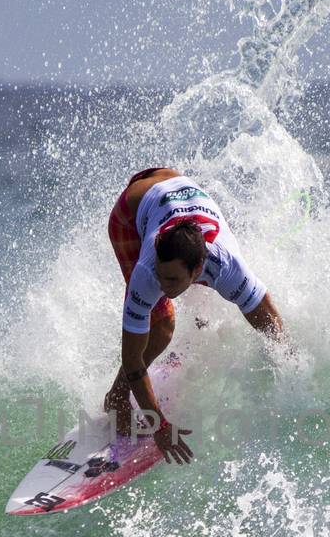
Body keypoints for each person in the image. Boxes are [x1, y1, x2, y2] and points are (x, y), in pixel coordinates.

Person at [103, 167, 285, 464]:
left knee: (207, 310)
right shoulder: (148, 272)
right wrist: (159, 424)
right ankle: (116, 398)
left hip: (171, 184)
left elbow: (266, 316)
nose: (162, 286)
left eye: (172, 280)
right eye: (161, 277)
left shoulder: (228, 267)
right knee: (162, 328)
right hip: (132, 210)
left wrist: (287, 358)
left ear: (197, 270)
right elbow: (132, 359)